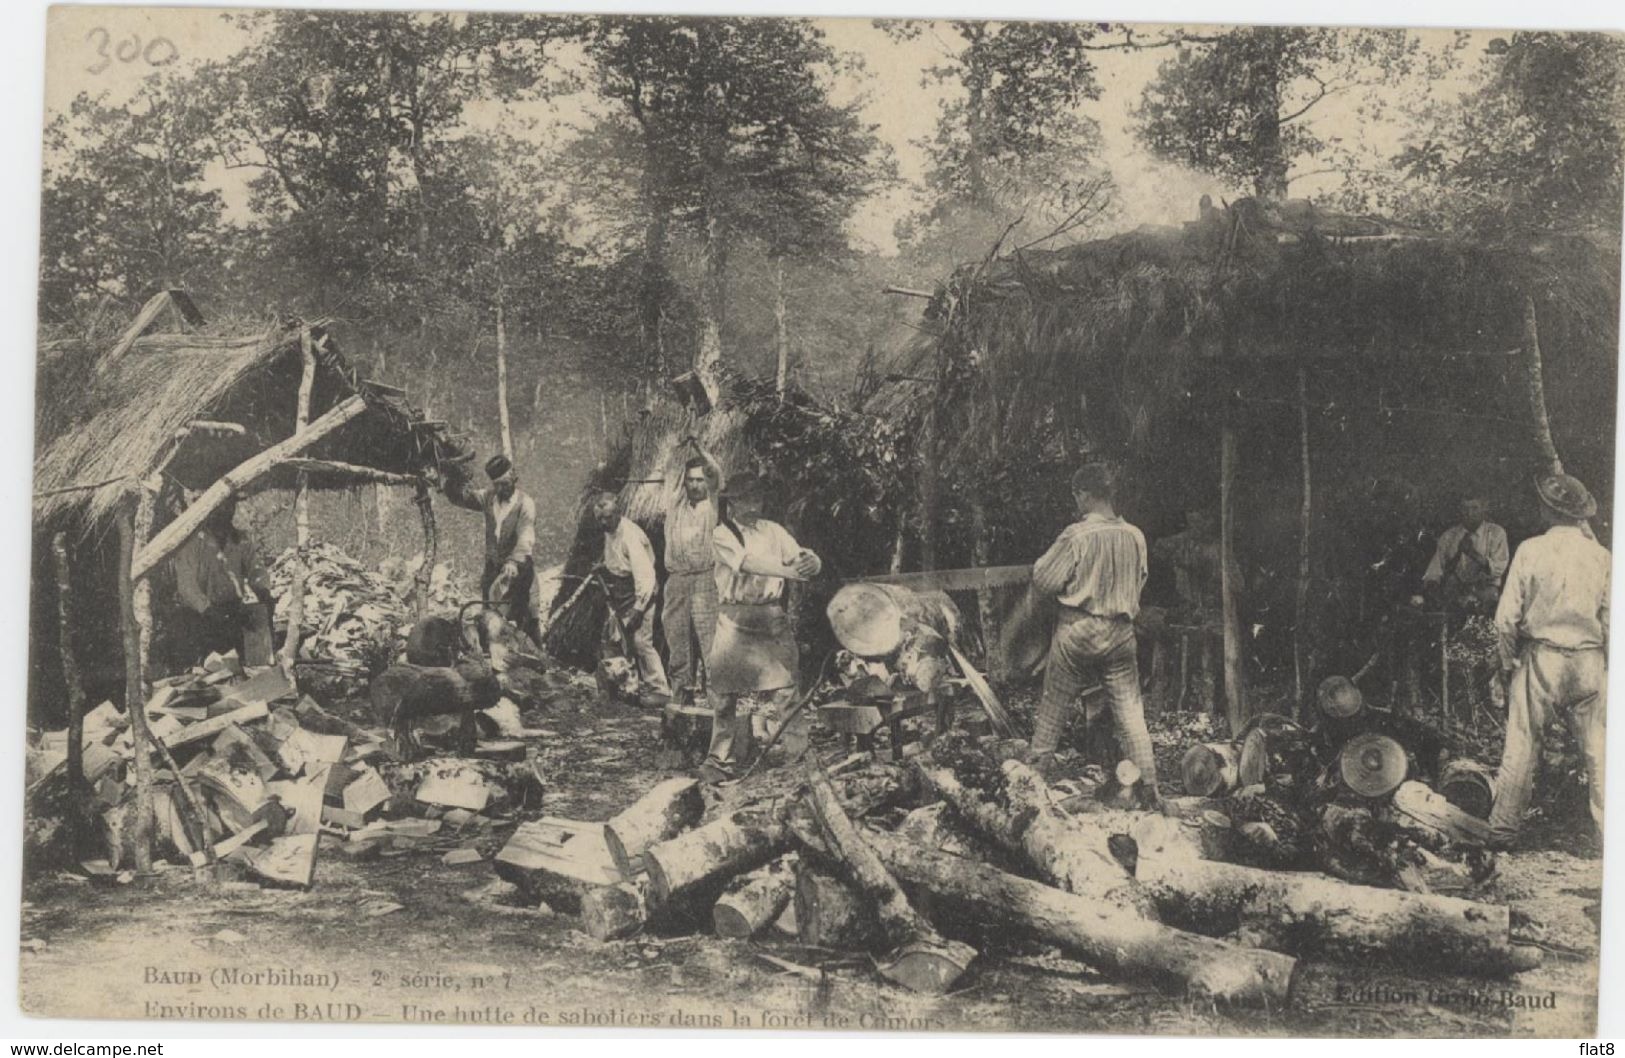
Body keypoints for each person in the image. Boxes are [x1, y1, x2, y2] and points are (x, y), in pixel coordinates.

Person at [1486, 473, 1609, 846]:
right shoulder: (1602, 556)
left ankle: (1503, 829)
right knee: (1601, 750)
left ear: (1547, 510)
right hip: (1589, 660)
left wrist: (1506, 665)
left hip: (1542, 659)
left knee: (1522, 743)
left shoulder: (1530, 550)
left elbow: (1505, 619)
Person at [1030, 464, 1160, 805]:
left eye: (1077, 495)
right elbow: (1140, 582)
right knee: (1131, 716)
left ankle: (1030, 787)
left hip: (1079, 629)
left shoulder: (1076, 535)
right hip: (1120, 632)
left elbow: (1043, 581)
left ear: (1085, 494)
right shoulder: (1135, 535)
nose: (1076, 501)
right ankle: (1150, 791)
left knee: (1053, 709)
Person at [697, 471, 821, 784]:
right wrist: (789, 572)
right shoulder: (723, 534)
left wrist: (812, 562)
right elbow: (747, 563)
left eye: (756, 497)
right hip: (735, 618)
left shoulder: (774, 531)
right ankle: (719, 760)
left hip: (770, 616)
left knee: (786, 689)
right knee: (724, 694)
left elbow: (800, 557)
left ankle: (799, 754)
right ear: (732, 504)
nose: (752, 505)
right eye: (744, 499)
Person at [443, 454, 541, 646]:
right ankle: (493, 659)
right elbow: (461, 498)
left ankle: (538, 660)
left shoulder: (525, 503)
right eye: (496, 484)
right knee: (490, 617)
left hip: (519, 570)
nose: (500, 489)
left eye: (504, 483)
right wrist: (450, 479)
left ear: (513, 476)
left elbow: (526, 535)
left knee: (526, 618)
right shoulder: (488, 498)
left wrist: (513, 561)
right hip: (493, 569)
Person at [169, 495, 274, 668]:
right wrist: (207, 609)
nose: (224, 512)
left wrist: (263, 591)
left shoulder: (241, 540)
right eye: (219, 508)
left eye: (229, 507)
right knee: (203, 672)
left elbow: (256, 569)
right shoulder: (194, 542)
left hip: (230, 613)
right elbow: (187, 585)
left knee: (234, 669)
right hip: (199, 617)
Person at [592, 491, 671, 707]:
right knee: (614, 640)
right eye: (600, 518)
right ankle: (623, 687)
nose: (604, 522)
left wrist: (638, 610)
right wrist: (605, 567)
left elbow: (645, 578)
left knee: (641, 642)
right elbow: (617, 559)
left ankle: (660, 690)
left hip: (641, 593)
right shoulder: (610, 531)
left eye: (608, 517)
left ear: (617, 513)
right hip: (620, 592)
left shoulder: (630, 536)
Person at [662, 438, 724, 706]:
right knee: (678, 650)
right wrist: (679, 448)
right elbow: (670, 473)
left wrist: (700, 449)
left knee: (711, 650)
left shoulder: (712, 506)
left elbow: (715, 474)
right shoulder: (674, 508)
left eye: (699, 480)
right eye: (690, 480)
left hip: (704, 580)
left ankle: (717, 714)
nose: (695, 485)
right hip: (676, 581)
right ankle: (679, 711)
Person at [1423, 495, 1509, 613]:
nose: (1469, 513)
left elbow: (1499, 568)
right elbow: (1434, 571)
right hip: (1456, 594)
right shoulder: (1449, 536)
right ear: (1459, 510)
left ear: (1484, 509)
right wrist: (1434, 588)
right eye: (1465, 508)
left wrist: (1473, 554)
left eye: (1474, 508)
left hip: (1485, 593)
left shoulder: (1496, 533)